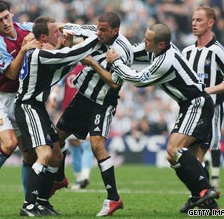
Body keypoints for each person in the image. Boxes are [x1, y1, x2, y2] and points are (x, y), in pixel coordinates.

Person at [104, 23, 220, 212]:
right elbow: (133, 51)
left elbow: (138, 80)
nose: (143, 42)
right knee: (178, 157)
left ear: (160, 44)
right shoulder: (157, 48)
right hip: (189, 104)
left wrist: (116, 63)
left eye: (147, 40)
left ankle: (205, 190)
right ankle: (209, 204)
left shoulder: (165, 61)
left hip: (196, 104)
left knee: (173, 149)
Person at [14, 16, 99, 216]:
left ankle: (42, 201)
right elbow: (68, 58)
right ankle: (28, 205)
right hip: (28, 107)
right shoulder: (39, 53)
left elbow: (60, 69)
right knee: (44, 155)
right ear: (43, 37)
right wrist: (95, 39)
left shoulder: (40, 51)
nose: (60, 34)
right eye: (56, 32)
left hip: (38, 107)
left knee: (57, 154)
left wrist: (65, 47)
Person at [56, 12, 134, 216]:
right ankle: (59, 179)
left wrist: (93, 64)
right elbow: (67, 26)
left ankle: (114, 198)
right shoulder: (95, 32)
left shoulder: (123, 51)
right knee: (57, 138)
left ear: (115, 31)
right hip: (82, 97)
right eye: (97, 28)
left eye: (103, 30)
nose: (98, 33)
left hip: (103, 102)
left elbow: (115, 83)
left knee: (97, 145)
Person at [0, 0, 40, 212]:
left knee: (30, 155)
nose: (5, 23)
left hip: (17, 99)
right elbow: (12, 73)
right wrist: (24, 49)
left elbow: (48, 28)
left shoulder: (25, 28)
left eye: (6, 17)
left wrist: (62, 32)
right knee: (9, 143)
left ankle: (28, 204)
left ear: (11, 13)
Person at [181, 6, 224, 212]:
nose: (194, 23)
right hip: (189, 111)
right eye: (193, 19)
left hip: (211, 110)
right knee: (183, 153)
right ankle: (205, 196)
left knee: (198, 154)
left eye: (199, 20)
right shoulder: (186, 51)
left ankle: (203, 196)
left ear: (211, 23)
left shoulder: (220, 52)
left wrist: (204, 91)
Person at [51, 63, 94, 190]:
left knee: (75, 146)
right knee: (85, 145)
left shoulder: (68, 65)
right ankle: (83, 177)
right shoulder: (91, 66)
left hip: (70, 110)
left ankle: (81, 177)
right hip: (86, 108)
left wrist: (53, 97)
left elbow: (58, 86)